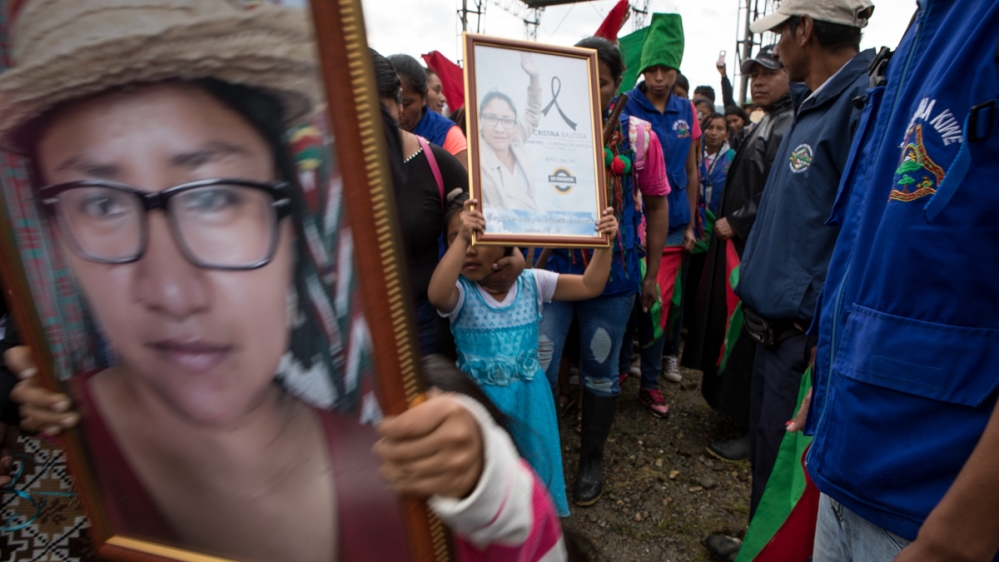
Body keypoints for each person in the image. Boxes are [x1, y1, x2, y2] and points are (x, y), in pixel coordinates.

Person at [0, 1, 561, 560]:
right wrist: (64, 404)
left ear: (302, 214)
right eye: (100, 204)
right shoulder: (80, 418)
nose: (170, 292)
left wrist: (487, 488)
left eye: (214, 197)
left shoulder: (412, 462)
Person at [789, 1, 999, 560]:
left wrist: (958, 534)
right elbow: (875, 240)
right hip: (851, 463)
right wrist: (835, 374)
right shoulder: (920, 33)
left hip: (934, 504)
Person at [735, 0, 876, 523]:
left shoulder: (859, 106)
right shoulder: (810, 105)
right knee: (766, 462)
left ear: (806, 30)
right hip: (770, 332)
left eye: (781, 34)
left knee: (786, 476)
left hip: (801, 339)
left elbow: (858, 234)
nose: (775, 47)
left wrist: (822, 336)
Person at [538, 36, 669, 506]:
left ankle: (591, 460)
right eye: (579, 80)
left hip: (614, 278)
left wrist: (651, 274)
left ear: (617, 85)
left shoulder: (639, 137)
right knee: (543, 364)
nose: (589, 91)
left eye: (602, 82)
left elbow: (657, 207)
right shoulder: (542, 130)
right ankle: (543, 460)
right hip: (552, 271)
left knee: (599, 367)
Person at [429, 193, 620, 517]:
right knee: (491, 487)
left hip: (533, 406)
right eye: (459, 238)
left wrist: (606, 243)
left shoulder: (534, 283)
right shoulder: (461, 293)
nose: (470, 246)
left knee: (534, 479)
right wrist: (462, 238)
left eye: (480, 235)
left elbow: (590, 285)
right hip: (482, 410)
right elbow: (436, 294)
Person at [681, 45, 792, 472]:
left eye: (769, 72)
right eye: (754, 74)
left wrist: (739, 220)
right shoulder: (768, 123)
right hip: (740, 246)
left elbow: (781, 193)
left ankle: (752, 426)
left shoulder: (790, 125)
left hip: (756, 249)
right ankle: (733, 410)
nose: (759, 81)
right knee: (732, 330)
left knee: (748, 334)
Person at [373, 50, 473, 356]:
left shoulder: (437, 164)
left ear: (399, 105)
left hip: (423, 328)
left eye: (377, 109)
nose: (365, 123)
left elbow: (482, 230)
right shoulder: (323, 169)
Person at [623, 13, 700, 396]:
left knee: (659, 304)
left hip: (671, 225)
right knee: (623, 302)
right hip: (630, 220)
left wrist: (690, 225)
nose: (658, 77)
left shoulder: (687, 112)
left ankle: (650, 382)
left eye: (666, 69)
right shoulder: (627, 105)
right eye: (652, 69)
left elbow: (692, 169)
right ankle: (618, 373)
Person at [476, 52, 542, 212]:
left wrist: (534, 78)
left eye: (506, 120)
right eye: (491, 118)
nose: (500, 129)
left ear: (514, 122)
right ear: (480, 119)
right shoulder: (476, 158)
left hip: (533, 231)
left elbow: (532, 114)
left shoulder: (515, 139)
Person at [388, 54, 468, 164]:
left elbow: (466, 180)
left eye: (406, 104)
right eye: (387, 106)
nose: (398, 112)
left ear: (423, 97)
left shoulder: (448, 135)